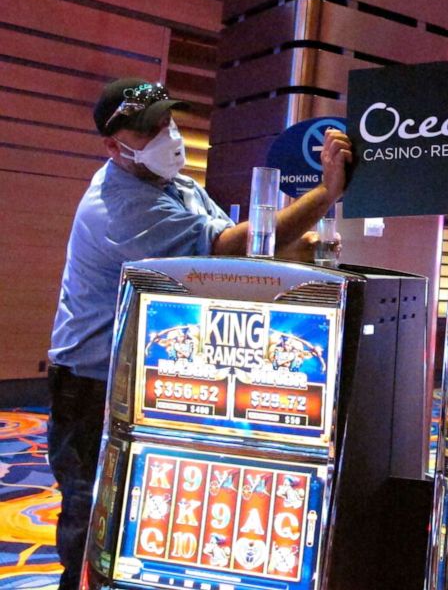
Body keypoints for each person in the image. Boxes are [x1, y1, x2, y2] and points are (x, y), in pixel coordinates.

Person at [46, 77, 351, 589]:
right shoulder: (119, 205)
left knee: (145, 507)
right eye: (148, 130)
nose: (167, 135)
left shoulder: (178, 187)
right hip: (91, 384)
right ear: (112, 144)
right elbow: (227, 251)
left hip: (145, 373)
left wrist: (314, 246)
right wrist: (325, 195)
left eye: (167, 121)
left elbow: (250, 250)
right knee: (93, 514)